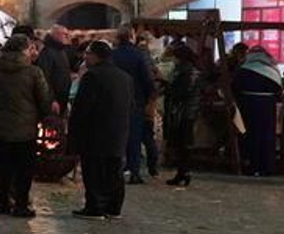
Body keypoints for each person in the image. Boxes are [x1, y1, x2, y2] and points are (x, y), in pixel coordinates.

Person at [0, 35, 56, 217]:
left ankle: (0, 202)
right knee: (24, 168)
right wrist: (44, 115)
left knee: (1, 165)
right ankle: (21, 205)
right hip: (25, 127)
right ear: (24, 49)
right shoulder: (33, 72)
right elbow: (44, 100)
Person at [69, 40, 134, 219]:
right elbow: (131, 105)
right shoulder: (125, 77)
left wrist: (74, 130)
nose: (85, 57)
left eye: (88, 53)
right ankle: (113, 207)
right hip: (118, 131)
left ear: (96, 55)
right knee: (114, 171)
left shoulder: (92, 76)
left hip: (95, 132)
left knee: (94, 171)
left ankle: (95, 207)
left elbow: (82, 107)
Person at [111, 25, 157, 185]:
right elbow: (147, 79)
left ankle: (116, 170)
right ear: (132, 36)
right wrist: (150, 97)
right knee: (134, 138)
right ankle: (134, 172)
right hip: (136, 101)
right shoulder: (138, 55)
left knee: (117, 136)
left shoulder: (112, 55)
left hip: (116, 101)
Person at [232, 45, 283, 177]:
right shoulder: (273, 70)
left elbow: (235, 88)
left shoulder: (243, 69)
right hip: (268, 107)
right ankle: (267, 166)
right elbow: (279, 91)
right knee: (267, 136)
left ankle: (252, 165)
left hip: (248, 105)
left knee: (251, 135)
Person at [161, 42, 201, 187]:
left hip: (182, 112)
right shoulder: (190, 71)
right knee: (184, 144)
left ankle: (183, 172)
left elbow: (180, 92)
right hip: (187, 111)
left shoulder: (185, 72)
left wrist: (166, 85)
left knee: (182, 144)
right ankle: (183, 172)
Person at [38, 25, 74, 108]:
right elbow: (44, 77)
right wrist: (52, 99)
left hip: (62, 98)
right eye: (64, 34)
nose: (67, 37)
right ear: (55, 35)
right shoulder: (47, 52)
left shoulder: (61, 51)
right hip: (54, 102)